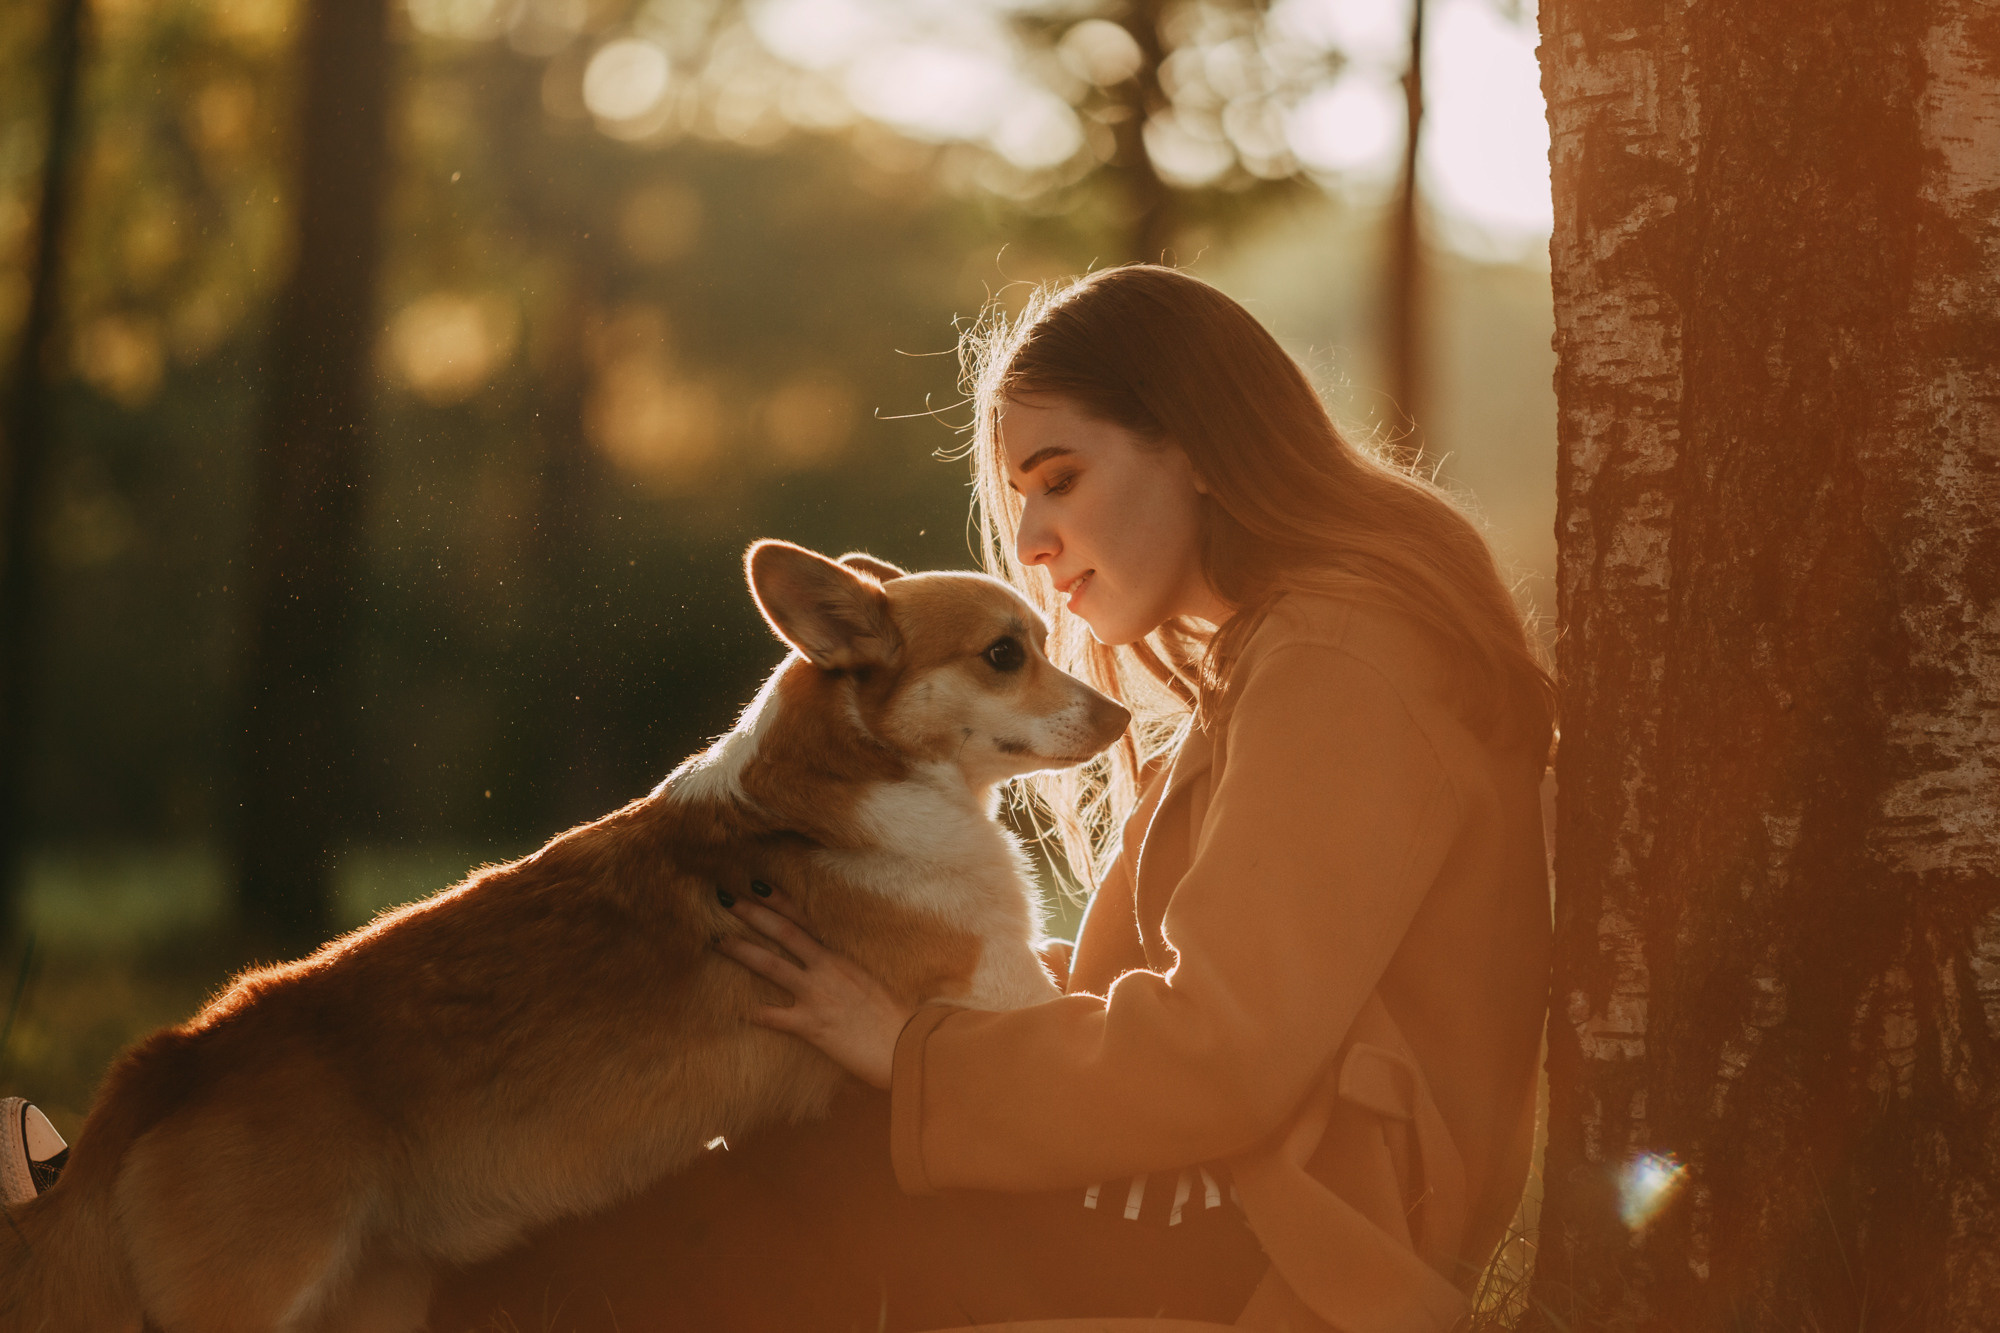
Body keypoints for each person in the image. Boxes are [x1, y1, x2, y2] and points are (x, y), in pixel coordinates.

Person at [23, 264, 1558, 1333]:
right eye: (1015, 492)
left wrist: (905, 1047)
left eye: (1061, 474)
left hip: (1281, 1246)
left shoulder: (1348, 655)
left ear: (1202, 445)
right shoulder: (1281, 666)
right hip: (1213, 1200)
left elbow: (1218, 1057)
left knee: (689, 1240)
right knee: (709, 1199)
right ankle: (119, 1222)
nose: (1030, 533)